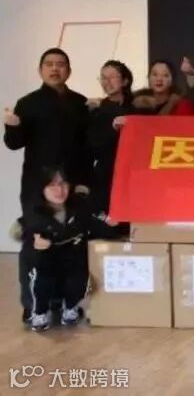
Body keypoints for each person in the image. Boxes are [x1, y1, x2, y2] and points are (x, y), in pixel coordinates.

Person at [4, 48, 92, 323]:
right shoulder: (27, 103)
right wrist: (12, 126)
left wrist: (83, 182)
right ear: (40, 70)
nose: (55, 69)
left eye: (60, 64)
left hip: (70, 186)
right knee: (36, 243)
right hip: (36, 186)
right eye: (49, 64)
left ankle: (64, 301)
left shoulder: (80, 103)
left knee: (69, 244)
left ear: (69, 70)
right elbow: (13, 144)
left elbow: (86, 147)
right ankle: (33, 304)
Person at [22, 168, 118, 332]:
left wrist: (111, 224)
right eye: (52, 185)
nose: (59, 190)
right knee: (41, 281)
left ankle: (70, 307)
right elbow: (26, 240)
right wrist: (36, 245)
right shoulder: (35, 214)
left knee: (78, 280)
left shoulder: (79, 209)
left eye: (63, 184)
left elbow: (98, 226)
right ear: (42, 188)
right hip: (46, 263)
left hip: (73, 261)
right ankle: (39, 313)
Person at [87, 61, 135, 227]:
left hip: (133, 174)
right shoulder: (96, 110)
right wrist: (113, 130)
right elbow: (93, 145)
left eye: (112, 77)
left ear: (125, 80)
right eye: (103, 77)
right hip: (106, 173)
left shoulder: (138, 107)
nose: (107, 81)